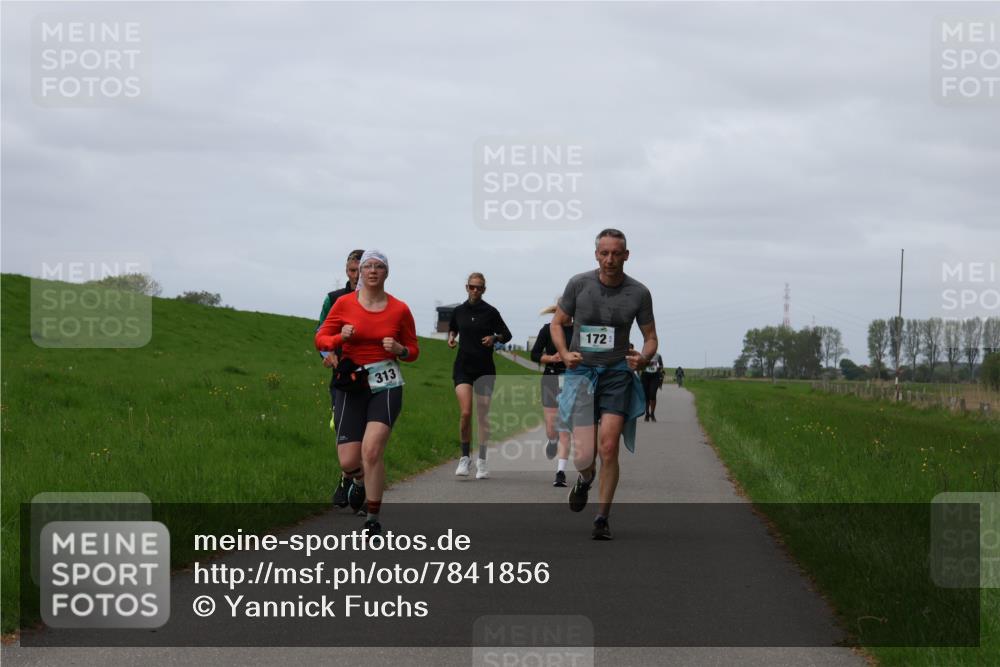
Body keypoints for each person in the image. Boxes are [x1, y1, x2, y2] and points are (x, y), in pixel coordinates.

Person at [551, 229, 658, 540]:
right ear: (596, 255)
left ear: (626, 255)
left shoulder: (639, 293)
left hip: (616, 374)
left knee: (608, 446)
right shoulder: (579, 284)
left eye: (616, 253)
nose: (610, 259)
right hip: (582, 373)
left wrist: (644, 358)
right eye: (604, 253)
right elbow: (557, 323)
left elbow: (650, 338)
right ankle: (585, 481)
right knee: (584, 455)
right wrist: (563, 353)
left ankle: (602, 518)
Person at [315, 249, 419, 535]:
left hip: (386, 384)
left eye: (379, 266)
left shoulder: (400, 309)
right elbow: (320, 338)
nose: (373, 271)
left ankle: (373, 519)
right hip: (352, 382)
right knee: (348, 460)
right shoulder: (344, 304)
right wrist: (339, 337)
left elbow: (414, 350)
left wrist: (400, 350)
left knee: (371, 451)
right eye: (368, 266)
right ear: (360, 272)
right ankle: (358, 481)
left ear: (387, 273)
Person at [448, 272, 512, 480]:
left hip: (484, 369)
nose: (475, 290)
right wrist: (451, 338)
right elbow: (453, 328)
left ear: (484, 289)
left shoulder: (491, 312)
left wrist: (494, 338)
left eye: (479, 287)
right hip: (463, 368)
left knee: (482, 415)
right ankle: (465, 458)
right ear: (466, 287)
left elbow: (507, 334)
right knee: (466, 413)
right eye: (472, 287)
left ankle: (482, 460)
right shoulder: (458, 311)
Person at [318, 249, 365, 511]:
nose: (357, 276)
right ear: (346, 271)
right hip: (342, 376)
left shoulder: (379, 300)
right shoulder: (334, 299)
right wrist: (327, 353)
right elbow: (321, 332)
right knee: (343, 431)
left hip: (371, 377)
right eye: (352, 271)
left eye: (361, 270)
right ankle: (349, 476)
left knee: (368, 435)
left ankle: (358, 485)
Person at [530, 306, 574, 487]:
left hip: (571, 379)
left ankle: (560, 472)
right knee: (551, 427)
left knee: (565, 427)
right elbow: (534, 354)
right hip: (551, 378)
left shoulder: (579, 330)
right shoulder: (547, 329)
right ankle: (552, 440)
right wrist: (551, 358)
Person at [641, 352, 665, 421]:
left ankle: (652, 414)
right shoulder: (643, 354)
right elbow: (639, 365)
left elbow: (661, 365)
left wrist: (658, 368)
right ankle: (647, 414)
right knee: (646, 396)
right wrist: (646, 363)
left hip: (655, 376)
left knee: (652, 394)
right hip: (645, 375)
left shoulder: (658, 355)